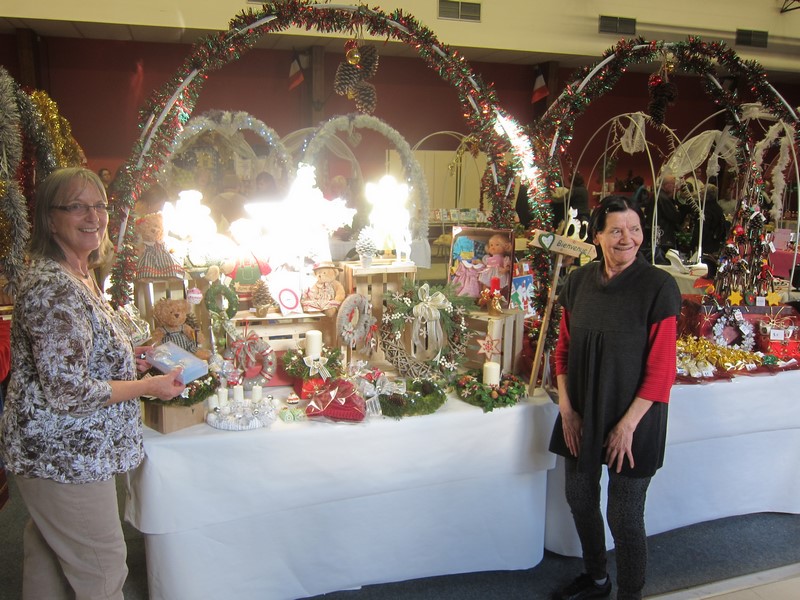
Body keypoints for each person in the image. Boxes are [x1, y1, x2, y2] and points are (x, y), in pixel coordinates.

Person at [0, 167, 185, 599]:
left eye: (99, 205)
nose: (93, 216)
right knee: (102, 571)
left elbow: (77, 355)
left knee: (49, 559)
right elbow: (69, 391)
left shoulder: (78, 273)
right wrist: (147, 387)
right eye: (77, 207)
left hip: (59, 455)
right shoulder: (53, 287)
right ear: (50, 219)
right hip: (65, 457)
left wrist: (128, 359)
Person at [549, 195, 681, 600]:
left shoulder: (658, 287)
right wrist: (568, 411)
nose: (628, 238)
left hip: (636, 417)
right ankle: (596, 578)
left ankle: (630, 593)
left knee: (623, 516)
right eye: (617, 230)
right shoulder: (578, 283)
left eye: (635, 229)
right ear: (598, 236)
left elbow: (662, 370)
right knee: (579, 497)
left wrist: (626, 427)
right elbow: (563, 352)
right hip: (582, 410)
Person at [642, 173, 684, 264]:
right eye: (673, 184)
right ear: (667, 185)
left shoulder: (656, 195)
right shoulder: (662, 198)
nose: (674, 187)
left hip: (656, 233)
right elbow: (674, 216)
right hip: (663, 235)